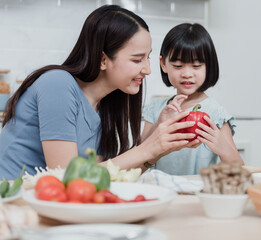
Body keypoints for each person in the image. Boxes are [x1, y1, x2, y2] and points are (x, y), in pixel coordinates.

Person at [0, 5, 198, 180]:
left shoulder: (104, 106)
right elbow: (64, 177)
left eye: (148, 58)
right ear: (103, 59)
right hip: (10, 202)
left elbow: (101, 175)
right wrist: (148, 148)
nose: (147, 69)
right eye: (138, 60)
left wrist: (158, 145)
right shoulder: (57, 84)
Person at [142, 23, 244, 175]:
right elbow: (140, 156)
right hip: (160, 192)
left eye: (196, 66)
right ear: (163, 64)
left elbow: (239, 169)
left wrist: (224, 149)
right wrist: (159, 125)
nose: (187, 74)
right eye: (178, 65)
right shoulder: (156, 109)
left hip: (197, 194)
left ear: (208, 66)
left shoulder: (215, 113)